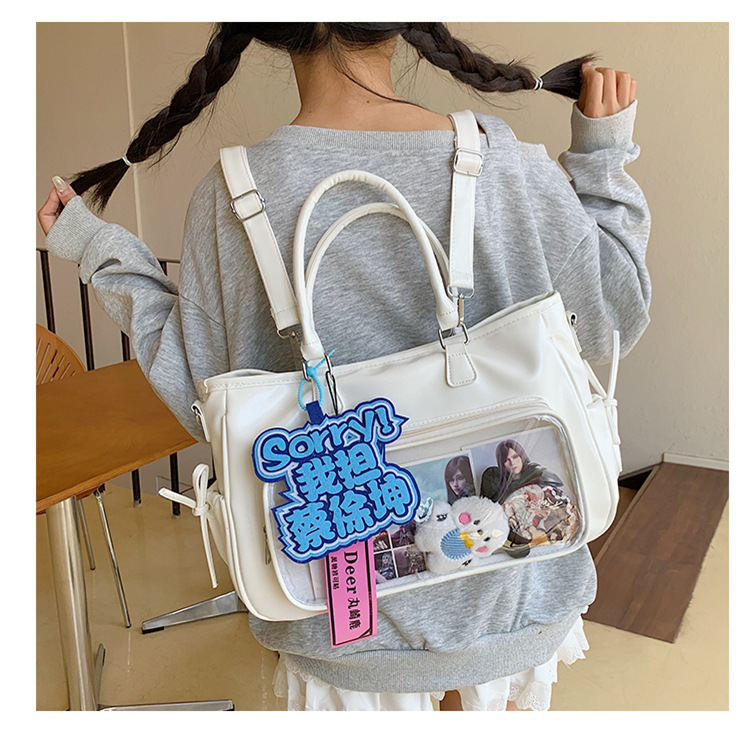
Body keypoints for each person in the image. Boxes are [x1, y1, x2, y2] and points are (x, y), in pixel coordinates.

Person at [38, 23, 650, 711]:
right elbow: (613, 317)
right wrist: (602, 158)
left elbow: (198, 392)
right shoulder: (506, 163)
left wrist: (100, 251)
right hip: (515, 578)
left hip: (337, 610)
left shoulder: (230, 196)